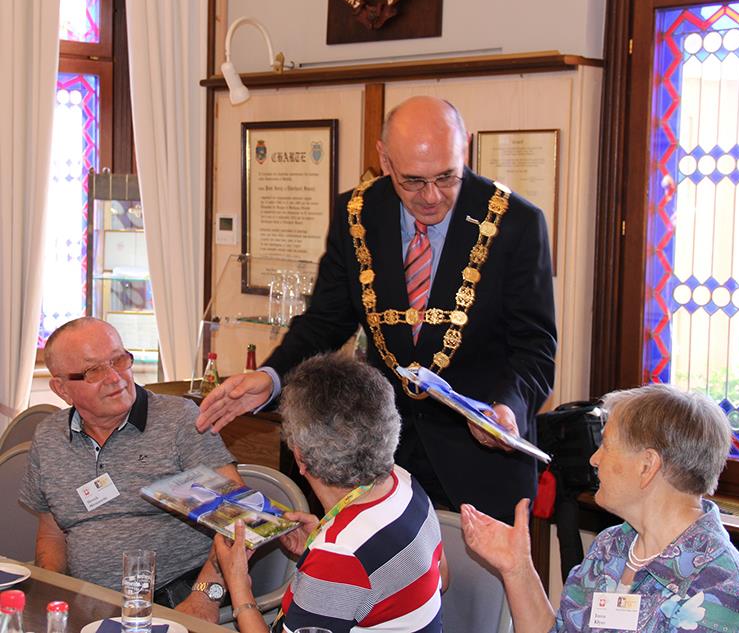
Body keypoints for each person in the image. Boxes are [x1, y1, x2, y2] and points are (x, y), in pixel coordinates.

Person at [197, 96, 557, 523]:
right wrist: (271, 376)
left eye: (447, 177)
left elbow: (535, 349)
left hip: (480, 465)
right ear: (384, 160)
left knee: (476, 592)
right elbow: (325, 322)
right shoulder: (358, 214)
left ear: (467, 148)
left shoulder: (517, 223)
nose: (431, 196)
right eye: (412, 181)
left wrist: (507, 410)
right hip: (381, 458)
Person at [460, 384, 739, 632]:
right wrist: (518, 569)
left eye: (606, 444)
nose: (594, 459)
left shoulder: (721, 592)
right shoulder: (613, 547)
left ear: (647, 466)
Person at [19, 317, 240, 619]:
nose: (115, 377)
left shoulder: (180, 421)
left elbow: (237, 519)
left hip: (173, 599)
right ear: (62, 389)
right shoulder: (49, 437)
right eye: (94, 370)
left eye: (119, 359)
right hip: (86, 603)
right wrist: (54, 594)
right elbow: (52, 533)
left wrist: (207, 596)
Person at [214, 352, 445, 633]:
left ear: (299, 457)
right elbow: (443, 578)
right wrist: (321, 539)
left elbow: (350, 559)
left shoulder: (339, 553)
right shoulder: (404, 483)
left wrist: (238, 585)